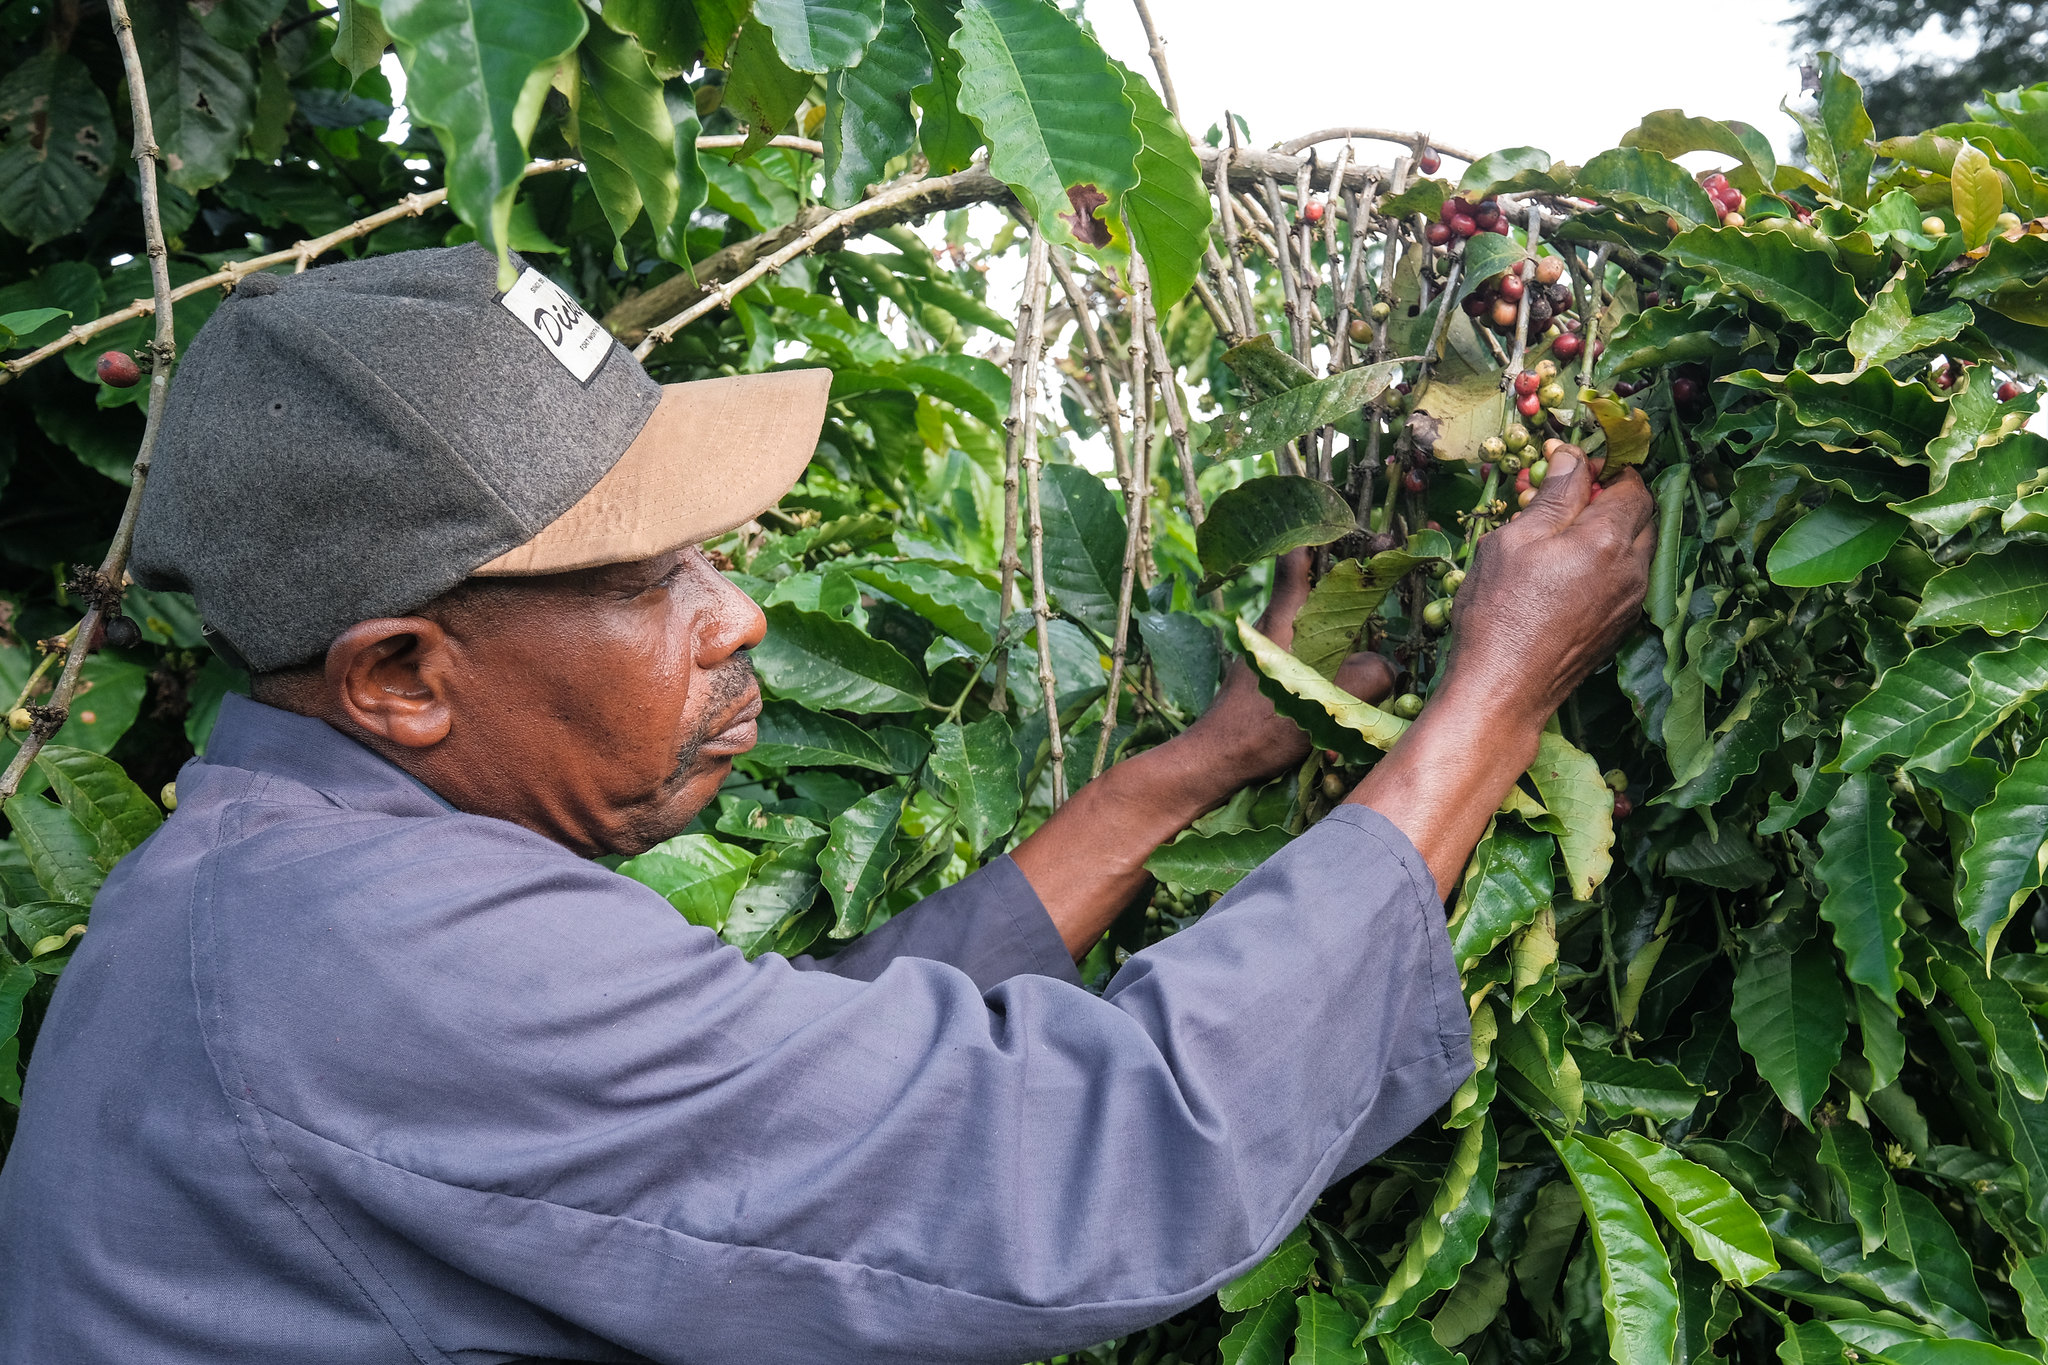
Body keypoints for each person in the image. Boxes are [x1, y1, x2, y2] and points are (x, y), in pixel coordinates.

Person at [0, 245, 1654, 1364]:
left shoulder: (296, 873)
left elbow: (786, 1065)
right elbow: (1104, 1149)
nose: (737, 613)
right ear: (405, 676)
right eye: (650, 576)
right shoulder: (376, 965)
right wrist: (1495, 699)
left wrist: (1206, 761)